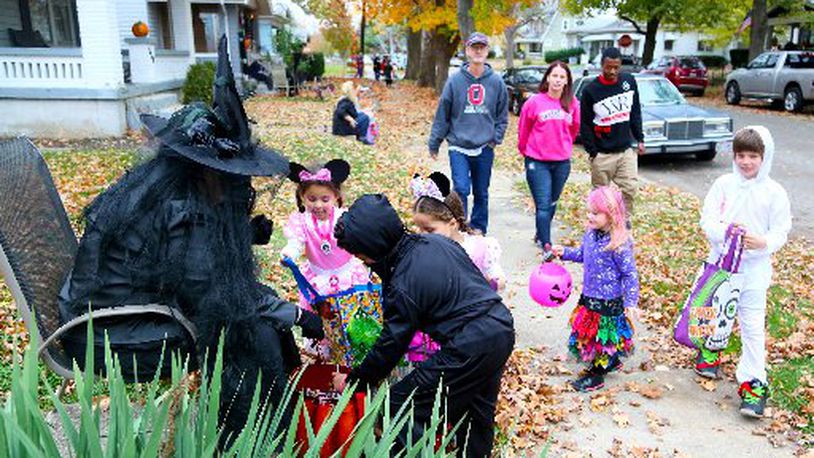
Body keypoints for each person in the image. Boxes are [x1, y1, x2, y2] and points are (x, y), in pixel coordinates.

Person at [57, 36, 325, 443]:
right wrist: (299, 315)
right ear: (203, 170)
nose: (240, 185)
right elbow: (215, 293)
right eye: (232, 175)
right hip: (110, 334)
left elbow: (174, 258)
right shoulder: (182, 209)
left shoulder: (168, 194)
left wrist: (244, 238)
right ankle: (247, 439)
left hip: (116, 309)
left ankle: (269, 427)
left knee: (261, 319)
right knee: (247, 332)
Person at [332, 194, 515, 457]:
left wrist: (354, 382)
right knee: (475, 415)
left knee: (400, 405)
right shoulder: (436, 243)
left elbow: (391, 344)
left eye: (363, 257)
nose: (365, 264)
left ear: (375, 247)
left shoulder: (404, 281)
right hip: (500, 327)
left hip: (470, 343)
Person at [697, 126, 791, 418]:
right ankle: (709, 350)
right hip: (722, 265)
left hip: (754, 271)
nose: (746, 162)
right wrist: (723, 233)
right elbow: (707, 218)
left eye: (753, 156)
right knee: (711, 310)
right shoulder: (724, 184)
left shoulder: (774, 192)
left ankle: (753, 383)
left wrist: (764, 242)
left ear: (765, 157)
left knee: (751, 326)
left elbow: (781, 229)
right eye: (740, 155)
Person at [408, 172, 506, 363]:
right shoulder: (422, 250)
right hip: (436, 331)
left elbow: (499, 278)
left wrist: (491, 283)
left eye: (429, 230)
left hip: (472, 329)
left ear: (452, 223)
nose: (422, 235)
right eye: (418, 229)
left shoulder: (478, 248)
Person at [551, 186, 639, 392]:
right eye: (589, 211)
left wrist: (631, 301)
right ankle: (612, 360)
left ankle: (597, 375)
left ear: (611, 215)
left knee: (601, 337)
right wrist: (565, 253)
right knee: (591, 334)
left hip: (608, 301)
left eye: (595, 213)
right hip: (590, 295)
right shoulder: (590, 234)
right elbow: (583, 254)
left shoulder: (619, 244)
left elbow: (630, 274)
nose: (589, 216)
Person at [281, 159, 370, 360]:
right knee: (322, 317)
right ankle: (324, 352)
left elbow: (357, 240)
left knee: (349, 315)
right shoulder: (301, 222)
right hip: (318, 279)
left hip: (347, 275)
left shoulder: (343, 218)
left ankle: (352, 349)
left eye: (325, 199)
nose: (318, 205)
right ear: (302, 197)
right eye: (312, 199)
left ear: (336, 196)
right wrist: (289, 253)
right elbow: (296, 241)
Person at [428, 31, 509, 235]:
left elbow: (502, 115)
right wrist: (434, 142)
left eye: (482, 47)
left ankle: (479, 228)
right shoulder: (455, 81)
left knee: (481, 192)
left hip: (484, 146)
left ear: (487, 51)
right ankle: (462, 227)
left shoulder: (496, 82)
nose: (478, 51)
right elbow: (443, 113)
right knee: (462, 188)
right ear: (467, 51)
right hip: (459, 145)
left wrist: (495, 138)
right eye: (474, 47)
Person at [517, 61, 580, 248]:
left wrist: (564, 146)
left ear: (567, 81)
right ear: (547, 78)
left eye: (562, 77)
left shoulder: (573, 104)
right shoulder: (534, 102)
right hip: (538, 162)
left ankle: (540, 233)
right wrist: (525, 152)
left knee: (552, 202)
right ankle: (546, 245)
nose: (558, 80)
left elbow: (574, 129)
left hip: (561, 163)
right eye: (555, 76)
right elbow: (524, 130)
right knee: (543, 205)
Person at [580, 47, 644, 216]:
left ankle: (623, 224)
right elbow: (585, 124)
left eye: (616, 67)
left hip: (625, 150)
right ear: (602, 65)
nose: (612, 71)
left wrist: (639, 137)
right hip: (602, 153)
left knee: (630, 189)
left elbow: (635, 111)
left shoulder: (628, 82)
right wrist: (592, 152)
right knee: (601, 197)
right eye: (609, 67)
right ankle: (600, 229)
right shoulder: (591, 90)